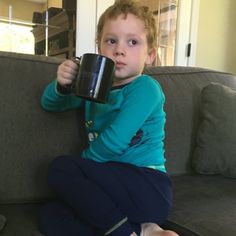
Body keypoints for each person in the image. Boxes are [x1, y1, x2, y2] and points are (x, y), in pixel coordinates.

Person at [39, 0, 178, 236]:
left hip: (148, 187)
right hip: (113, 190)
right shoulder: (95, 84)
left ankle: (125, 231)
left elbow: (115, 140)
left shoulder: (145, 88)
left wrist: (82, 169)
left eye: (132, 42)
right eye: (111, 41)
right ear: (99, 47)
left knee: (61, 168)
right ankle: (141, 229)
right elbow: (50, 104)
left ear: (150, 55)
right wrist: (62, 86)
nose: (119, 50)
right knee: (51, 216)